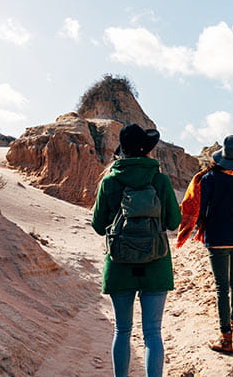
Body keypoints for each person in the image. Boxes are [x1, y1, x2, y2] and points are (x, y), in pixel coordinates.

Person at [91, 124, 182, 377]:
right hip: (156, 262)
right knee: (153, 332)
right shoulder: (160, 179)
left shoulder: (110, 181)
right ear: (147, 152)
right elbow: (174, 222)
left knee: (122, 330)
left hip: (119, 263)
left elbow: (98, 226)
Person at [177, 134, 233, 354]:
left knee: (221, 288)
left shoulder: (209, 179)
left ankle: (226, 338)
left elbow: (199, 207)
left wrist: (201, 226)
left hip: (217, 238)